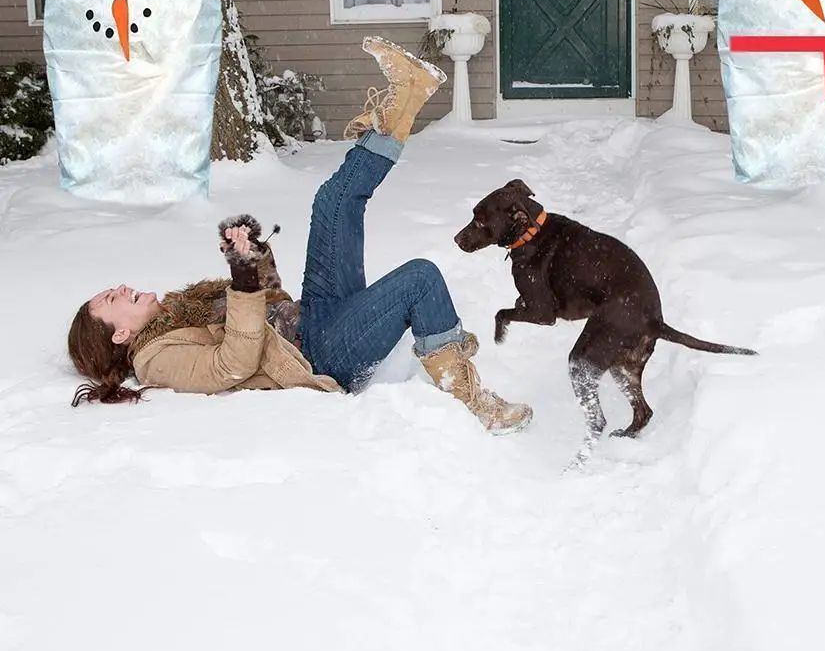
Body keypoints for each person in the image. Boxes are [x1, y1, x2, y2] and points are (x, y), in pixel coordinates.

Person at [66, 36, 533, 435]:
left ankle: (408, 96)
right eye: (112, 299)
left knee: (332, 203)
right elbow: (236, 363)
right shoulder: (155, 358)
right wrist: (243, 278)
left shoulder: (174, 311)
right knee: (420, 278)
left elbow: (266, 308)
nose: (122, 288)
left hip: (310, 316)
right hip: (319, 353)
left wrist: (253, 258)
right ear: (121, 334)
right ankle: (470, 397)